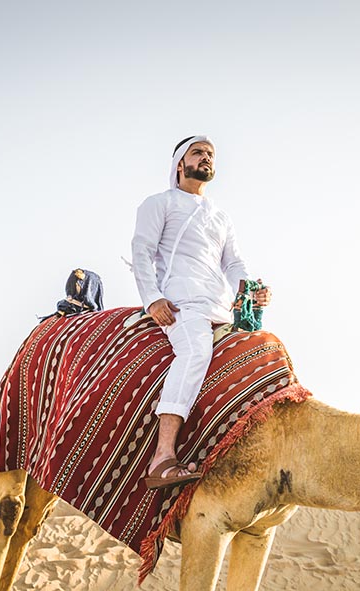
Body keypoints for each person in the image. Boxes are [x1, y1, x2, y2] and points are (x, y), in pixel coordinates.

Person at [131, 135, 271, 490]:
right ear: (180, 164)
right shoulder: (160, 203)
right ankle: (162, 457)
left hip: (220, 307)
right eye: (198, 152)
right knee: (195, 351)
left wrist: (250, 291)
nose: (206, 158)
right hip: (181, 303)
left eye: (210, 154)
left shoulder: (221, 217)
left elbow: (234, 263)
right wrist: (153, 299)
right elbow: (142, 251)